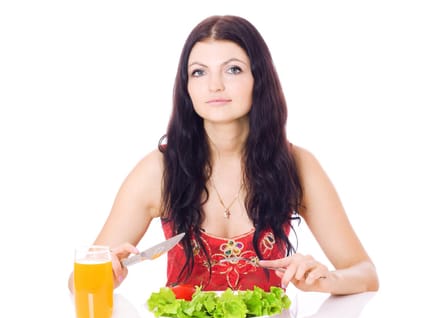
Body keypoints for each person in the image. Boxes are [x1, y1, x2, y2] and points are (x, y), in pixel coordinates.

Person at [68, 15, 379, 295]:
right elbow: (76, 282)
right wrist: (105, 273)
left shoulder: (298, 166)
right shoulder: (158, 170)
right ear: (186, 87)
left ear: (259, 79)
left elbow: (366, 274)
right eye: (199, 72)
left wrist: (325, 279)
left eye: (233, 69)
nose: (214, 85)